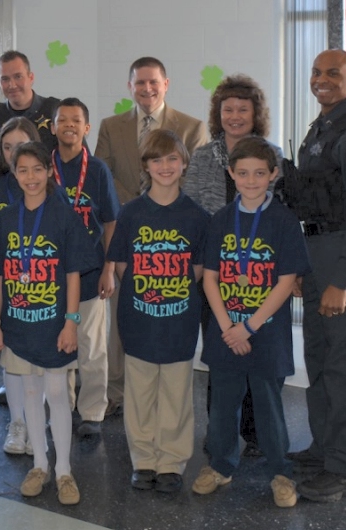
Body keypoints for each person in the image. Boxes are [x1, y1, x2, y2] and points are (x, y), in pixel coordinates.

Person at [286, 49, 346, 503]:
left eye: (332, 74)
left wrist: (341, 281)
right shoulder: (320, 128)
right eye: (316, 73)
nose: (321, 80)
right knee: (320, 361)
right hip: (316, 254)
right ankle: (324, 450)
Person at [193, 137, 310, 508]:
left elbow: (287, 281)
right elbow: (210, 277)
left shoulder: (284, 221)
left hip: (265, 333)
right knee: (223, 404)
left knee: (268, 405)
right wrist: (229, 326)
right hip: (225, 332)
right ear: (231, 173)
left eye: (260, 173)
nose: (251, 180)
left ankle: (280, 472)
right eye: (242, 173)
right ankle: (220, 465)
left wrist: (249, 326)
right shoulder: (221, 220)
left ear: (273, 174)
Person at [94, 56, 208, 418]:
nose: (146, 89)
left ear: (166, 84)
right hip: (128, 230)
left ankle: (164, 401)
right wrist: (138, 209)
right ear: (130, 86)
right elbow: (103, 175)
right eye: (139, 83)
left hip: (175, 241)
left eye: (153, 82)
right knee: (124, 319)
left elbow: (197, 177)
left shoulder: (191, 126)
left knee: (169, 316)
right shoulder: (111, 126)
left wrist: (160, 205)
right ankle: (118, 392)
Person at [181, 74, 283, 458]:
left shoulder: (274, 156)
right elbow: (192, 211)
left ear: (256, 113)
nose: (235, 116)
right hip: (215, 272)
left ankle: (256, 434)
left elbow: (283, 214)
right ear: (218, 114)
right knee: (222, 351)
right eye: (228, 109)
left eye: (243, 109)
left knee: (258, 351)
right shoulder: (205, 156)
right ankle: (220, 432)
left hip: (260, 275)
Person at [0, 141, 95, 506]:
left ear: (49, 172)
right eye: (23, 170)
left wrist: (71, 322)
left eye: (37, 169)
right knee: (31, 393)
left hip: (54, 324)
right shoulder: (6, 218)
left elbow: (73, 273)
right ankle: (40, 464)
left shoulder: (63, 215)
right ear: (14, 173)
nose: (30, 177)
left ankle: (64, 470)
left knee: (57, 394)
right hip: (18, 324)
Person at [106, 129, 208, 494]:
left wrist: (169, 290)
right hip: (139, 321)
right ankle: (144, 459)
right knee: (140, 391)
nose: (164, 167)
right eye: (156, 160)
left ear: (183, 164)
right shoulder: (131, 212)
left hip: (179, 321)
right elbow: (120, 263)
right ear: (146, 166)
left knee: (177, 392)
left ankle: (171, 462)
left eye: (172, 159)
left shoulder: (196, 216)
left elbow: (197, 270)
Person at [49, 98, 120, 438]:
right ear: (53, 127)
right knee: (58, 345)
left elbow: (110, 222)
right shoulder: (43, 168)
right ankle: (61, 406)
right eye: (62, 119)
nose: (69, 125)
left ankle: (92, 410)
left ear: (86, 128)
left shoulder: (97, 170)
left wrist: (109, 269)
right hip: (51, 277)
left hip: (91, 273)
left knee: (91, 347)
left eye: (76, 120)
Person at [0, 116, 41, 456]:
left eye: (20, 146)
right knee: (12, 360)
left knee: (42, 364)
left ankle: (38, 422)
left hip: (43, 291)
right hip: (9, 289)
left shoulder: (51, 192)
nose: (13, 153)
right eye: (7, 147)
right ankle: (17, 423)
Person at [0, 51, 61, 186]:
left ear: (31, 77)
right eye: (5, 79)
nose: (12, 85)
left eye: (18, 76)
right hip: (2, 202)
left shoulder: (55, 111)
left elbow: (78, 157)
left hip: (48, 199)